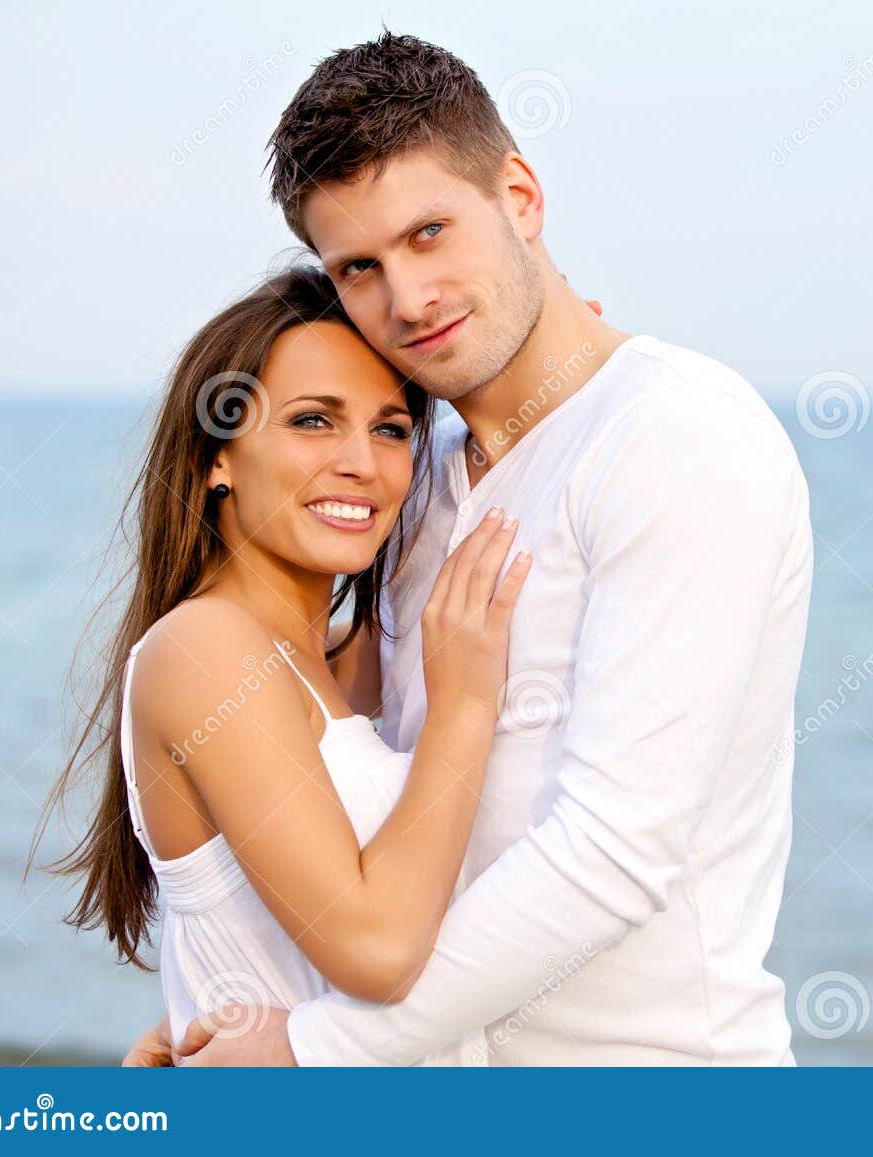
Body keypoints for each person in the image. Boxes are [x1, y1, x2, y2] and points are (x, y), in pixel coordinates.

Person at [132, 31, 814, 1066]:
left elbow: (618, 850)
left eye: (430, 234)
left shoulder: (677, 434)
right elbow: (322, 754)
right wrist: (224, 1000)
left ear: (521, 199)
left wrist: (308, 1045)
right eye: (358, 266)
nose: (407, 299)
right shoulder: (414, 477)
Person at [41, 265, 529, 1065]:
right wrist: (464, 712)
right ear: (215, 458)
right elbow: (375, 952)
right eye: (312, 421)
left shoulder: (329, 662)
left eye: (390, 428)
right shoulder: (206, 650)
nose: (362, 464)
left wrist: (539, 351)